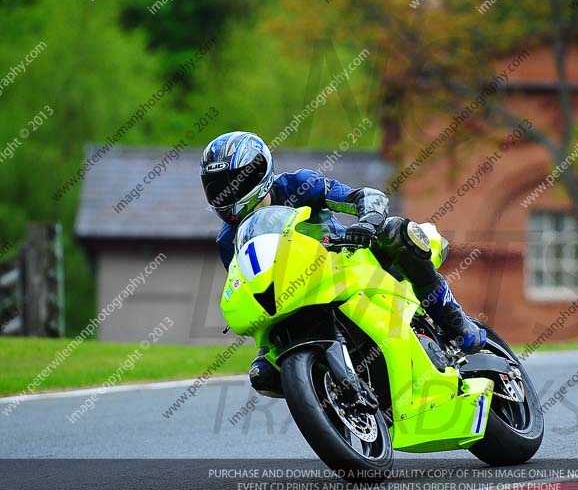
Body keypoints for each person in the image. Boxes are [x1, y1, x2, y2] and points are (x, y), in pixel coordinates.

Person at [200, 131, 486, 397]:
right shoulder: (228, 242)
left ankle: (454, 321)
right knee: (262, 374)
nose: (228, 193)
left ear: (260, 172)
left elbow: (362, 196)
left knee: (398, 232)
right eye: (218, 188)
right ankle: (327, 395)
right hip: (296, 295)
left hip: (349, 260)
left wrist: (368, 222)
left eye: (236, 182)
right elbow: (254, 286)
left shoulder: (297, 185)